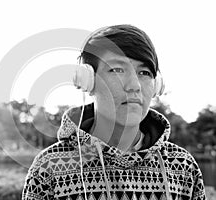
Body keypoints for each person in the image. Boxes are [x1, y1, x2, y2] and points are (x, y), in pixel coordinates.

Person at [22, 24, 206, 200]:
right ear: (88, 81)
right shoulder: (48, 168)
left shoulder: (183, 167)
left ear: (157, 85)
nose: (134, 85)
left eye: (144, 72)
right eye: (117, 70)